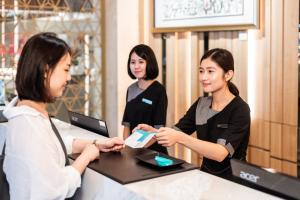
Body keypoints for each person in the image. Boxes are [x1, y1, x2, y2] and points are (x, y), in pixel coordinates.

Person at [3, 32, 124, 199]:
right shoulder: (28, 126)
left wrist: (96, 143)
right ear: (46, 70)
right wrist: (86, 157)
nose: (69, 77)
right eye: (66, 69)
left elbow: (50, 147)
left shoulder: (30, 114)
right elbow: (53, 189)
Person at [135, 48, 250, 179]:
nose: (203, 77)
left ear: (228, 75)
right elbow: (177, 130)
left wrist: (179, 137)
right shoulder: (201, 104)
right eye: (201, 71)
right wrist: (154, 133)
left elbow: (220, 153)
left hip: (233, 182)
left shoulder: (240, 109)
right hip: (206, 177)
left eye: (210, 71)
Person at [122, 44, 168, 154]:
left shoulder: (159, 90)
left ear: (149, 63)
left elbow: (158, 130)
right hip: (133, 151)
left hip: (153, 152)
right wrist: (126, 148)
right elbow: (127, 124)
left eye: (141, 62)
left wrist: (138, 149)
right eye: (133, 62)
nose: (136, 66)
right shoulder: (131, 89)